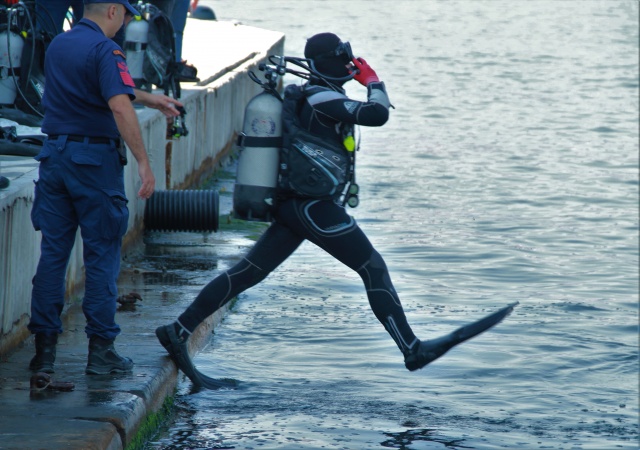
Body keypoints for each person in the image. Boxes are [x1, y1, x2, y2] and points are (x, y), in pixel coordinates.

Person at [155, 32, 515, 387]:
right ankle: (412, 349)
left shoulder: (316, 93)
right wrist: (373, 81)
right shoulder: (317, 96)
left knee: (248, 273)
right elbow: (376, 114)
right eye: (343, 58)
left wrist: (362, 82)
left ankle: (179, 329)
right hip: (312, 208)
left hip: (297, 207)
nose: (349, 64)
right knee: (372, 266)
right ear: (326, 63)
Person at [27, 0, 183, 375]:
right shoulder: (105, 49)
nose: (123, 26)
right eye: (126, 18)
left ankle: (43, 355)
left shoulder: (61, 44)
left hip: (54, 158)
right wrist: (144, 162)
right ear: (113, 10)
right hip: (93, 163)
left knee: (53, 256)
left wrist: (150, 98)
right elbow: (118, 106)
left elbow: (97, 88)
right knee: (101, 256)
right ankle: (101, 354)